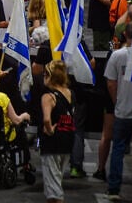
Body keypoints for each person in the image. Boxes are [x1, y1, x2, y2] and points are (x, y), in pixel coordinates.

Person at [105, 23, 132, 200]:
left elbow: (111, 83)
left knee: (118, 149)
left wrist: (117, 101)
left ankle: (113, 189)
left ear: (125, 34)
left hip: (123, 110)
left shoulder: (117, 56)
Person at [40, 60, 75, 203]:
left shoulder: (48, 97)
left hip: (52, 143)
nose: (43, 77)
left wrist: (49, 130)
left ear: (51, 76)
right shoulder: (70, 93)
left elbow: (46, 119)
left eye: (45, 74)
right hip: (68, 139)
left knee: (54, 190)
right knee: (57, 180)